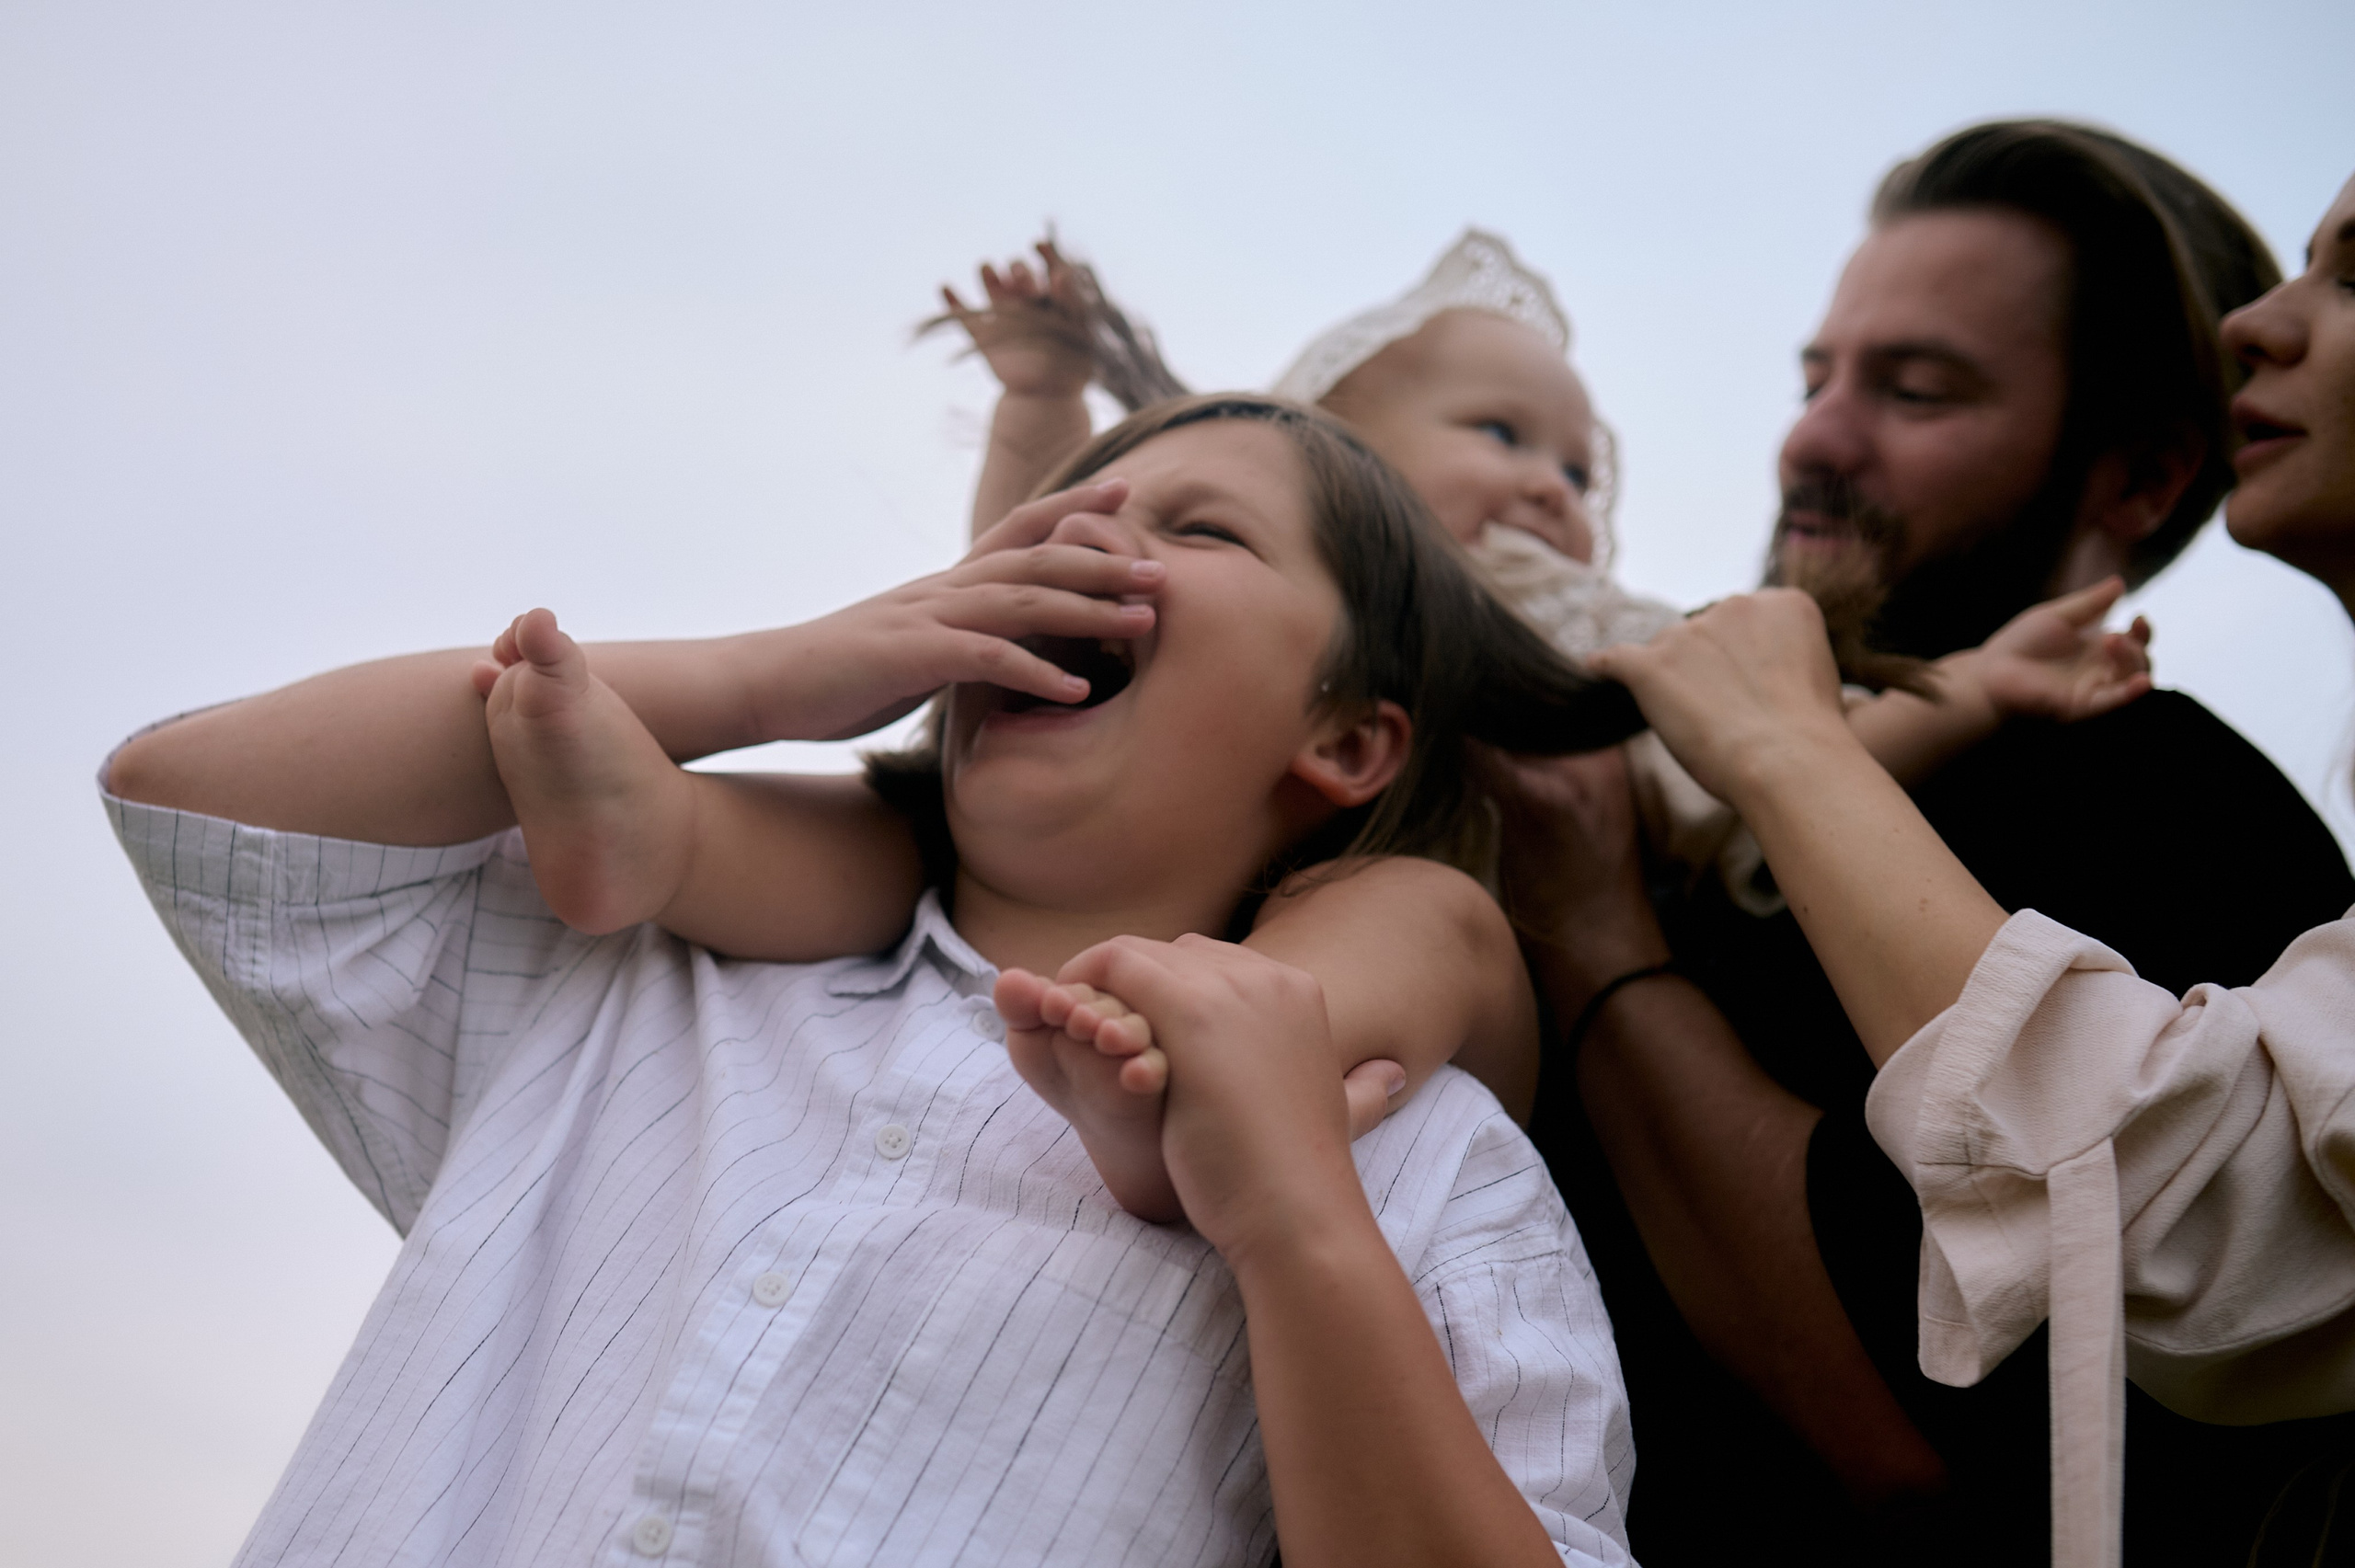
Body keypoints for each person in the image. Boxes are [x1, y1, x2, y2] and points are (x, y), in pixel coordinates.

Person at [103, 395, 1644, 1567]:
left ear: (1351, 739)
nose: (1089, 540)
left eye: (1204, 529)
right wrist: (776, 672)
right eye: (1055, 519)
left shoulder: (1423, 1161)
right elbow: (203, 799)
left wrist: (1294, 1217)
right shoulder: (649, 991)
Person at [1512, 121, 2355, 1565]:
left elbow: (1919, 1444)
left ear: (2143, 481)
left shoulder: (2157, 785)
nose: (1816, 439)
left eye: (1915, 391)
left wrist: (1596, 939)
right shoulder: (1661, 775)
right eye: (1816, 376)